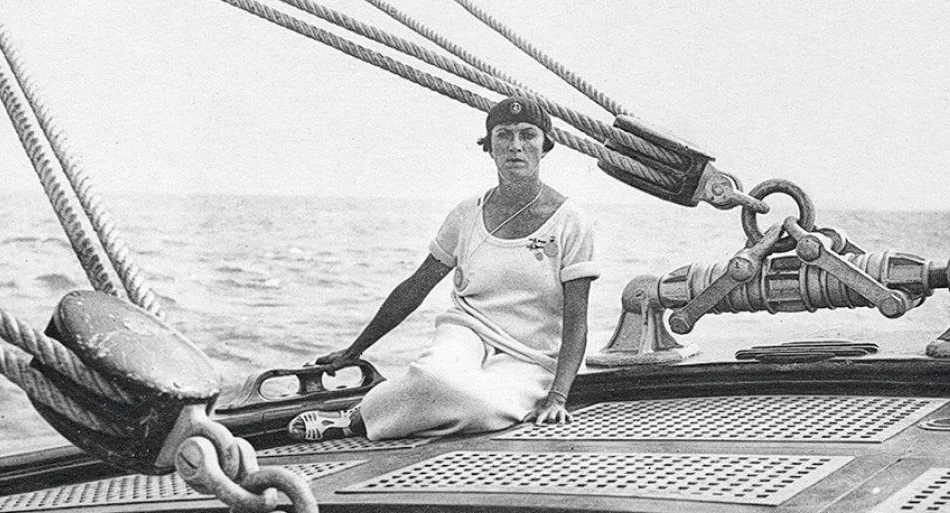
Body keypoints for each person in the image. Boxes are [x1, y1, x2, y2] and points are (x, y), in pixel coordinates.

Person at [288, 96, 599, 441]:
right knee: (434, 378)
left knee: (484, 407)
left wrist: (557, 397)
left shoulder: (571, 221)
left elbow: (576, 321)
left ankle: (381, 418)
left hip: (531, 354)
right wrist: (354, 350)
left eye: (528, 135)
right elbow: (417, 286)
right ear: (489, 147)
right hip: (467, 332)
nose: (515, 146)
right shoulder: (467, 214)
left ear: (545, 147)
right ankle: (355, 417)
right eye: (503, 135)